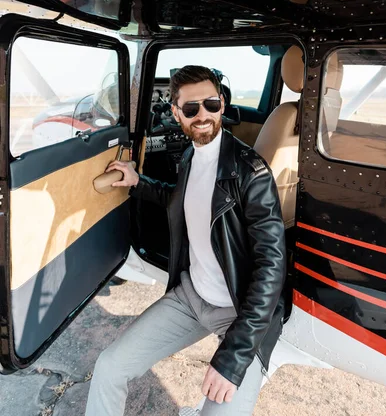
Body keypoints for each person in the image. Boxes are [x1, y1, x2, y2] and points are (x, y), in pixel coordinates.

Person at [85, 65, 286, 416]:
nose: (203, 116)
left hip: (238, 313)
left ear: (222, 104)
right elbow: (184, 200)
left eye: (210, 104)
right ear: (176, 112)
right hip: (191, 298)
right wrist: (138, 181)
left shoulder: (250, 172)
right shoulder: (192, 156)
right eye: (191, 109)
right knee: (109, 367)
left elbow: (272, 265)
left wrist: (236, 355)